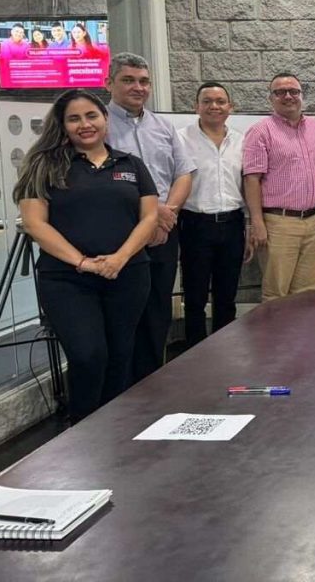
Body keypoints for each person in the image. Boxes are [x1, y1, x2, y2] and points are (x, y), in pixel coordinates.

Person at [15, 90, 158, 420]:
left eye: (91, 116)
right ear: (63, 126)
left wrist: (120, 258)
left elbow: (149, 217)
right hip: (67, 280)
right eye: (74, 119)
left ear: (106, 119)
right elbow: (36, 224)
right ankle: (81, 433)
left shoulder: (131, 164)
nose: (84, 124)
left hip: (128, 275)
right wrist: (81, 262)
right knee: (88, 355)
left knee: (121, 356)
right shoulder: (43, 166)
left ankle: (112, 431)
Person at [105, 52, 195, 382]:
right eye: (128, 80)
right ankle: (119, 390)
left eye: (144, 81)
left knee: (158, 310)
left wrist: (167, 213)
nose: (138, 87)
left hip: (163, 233)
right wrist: (151, 212)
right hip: (121, 234)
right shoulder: (98, 124)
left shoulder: (163, 127)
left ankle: (150, 384)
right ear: (109, 83)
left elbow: (184, 174)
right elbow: (101, 179)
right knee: (124, 312)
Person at [243, 73, 315, 301]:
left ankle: (301, 338)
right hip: (278, 224)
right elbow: (252, 180)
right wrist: (257, 223)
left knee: (307, 293)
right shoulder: (260, 131)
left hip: (314, 221)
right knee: (276, 294)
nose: (288, 96)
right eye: (280, 92)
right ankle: (274, 338)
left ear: (302, 96)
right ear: (271, 98)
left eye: (294, 91)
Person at [177, 82, 246, 347]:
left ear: (230, 107)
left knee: (227, 295)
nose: (214, 106)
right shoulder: (181, 139)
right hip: (196, 224)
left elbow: (247, 183)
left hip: (232, 224)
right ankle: (194, 350)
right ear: (196, 106)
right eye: (207, 101)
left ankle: (223, 350)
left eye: (220, 101)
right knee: (195, 296)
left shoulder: (241, 140)